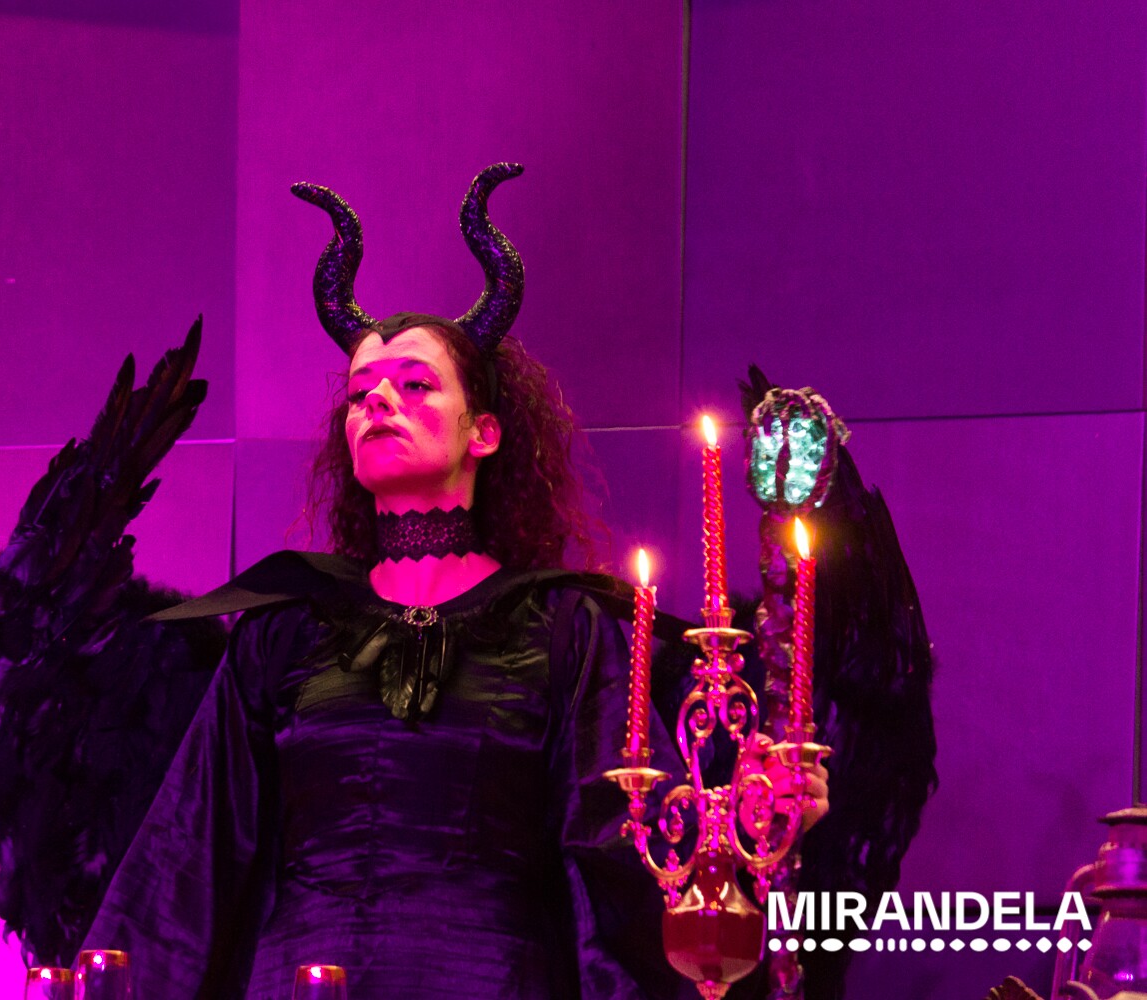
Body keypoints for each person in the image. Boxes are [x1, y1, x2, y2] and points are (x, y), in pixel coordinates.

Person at [78, 164, 827, 999]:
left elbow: (628, 863)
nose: (379, 404)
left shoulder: (563, 627)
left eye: (415, 385)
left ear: (486, 432)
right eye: (360, 394)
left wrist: (743, 839)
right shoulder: (283, 628)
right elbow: (186, 864)